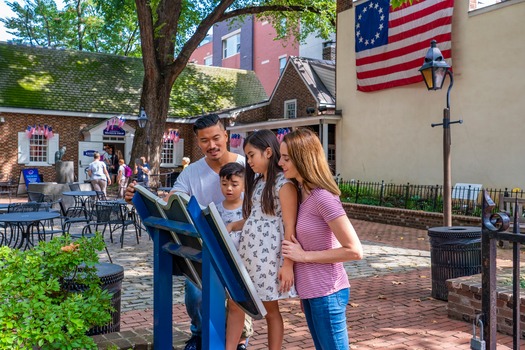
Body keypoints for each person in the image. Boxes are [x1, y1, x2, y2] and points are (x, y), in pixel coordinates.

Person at [125, 113, 247, 350]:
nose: (211, 145)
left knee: (239, 297)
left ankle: (239, 339)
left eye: (215, 138)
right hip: (203, 248)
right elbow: (172, 199)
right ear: (198, 142)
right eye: (204, 140)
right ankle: (200, 334)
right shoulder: (192, 172)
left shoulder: (246, 165)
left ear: (226, 135)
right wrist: (139, 197)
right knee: (196, 294)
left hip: (241, 246)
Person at [279, 128, 364, 350]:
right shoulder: (302, 193)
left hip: (328, 293)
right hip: (312, 293)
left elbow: (354, 250)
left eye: (286, 158)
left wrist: (304, 256)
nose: (280, 162)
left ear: (302, 158)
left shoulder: (323, 198)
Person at [226, 129, 297, 350]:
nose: (248, 161)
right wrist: (231, 226)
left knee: (270, 310)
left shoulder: (283, 184)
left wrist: (288, 264)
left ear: (267, 152)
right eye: (246, 156)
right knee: (237, 303)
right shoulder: (257, 183)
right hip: (248, 255)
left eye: (251, 155)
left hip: (268, 259)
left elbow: (289, 227)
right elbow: (254, 218)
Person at [216, 162, 252, 350]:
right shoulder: (216, 209)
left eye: (234, 184)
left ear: (244, 185)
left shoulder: (250, 206)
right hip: (223, 264)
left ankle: (241, 341)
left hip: (244, 263)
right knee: (224, 303)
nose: (229, 188)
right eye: (224, 184)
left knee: (239, 304)